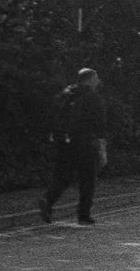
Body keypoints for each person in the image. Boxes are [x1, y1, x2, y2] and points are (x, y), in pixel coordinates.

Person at [40, 67, 108, 226]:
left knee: (63, 176)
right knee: (87, 179)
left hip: (63, 141)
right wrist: (102, 150)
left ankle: (48, 200)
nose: (98, 81)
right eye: (96, 78)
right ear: (90, 79)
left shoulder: (65, 94)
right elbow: (100, 126)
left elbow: (52, 116)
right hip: (84, 142)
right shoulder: (93, 98)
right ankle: (83, 215)